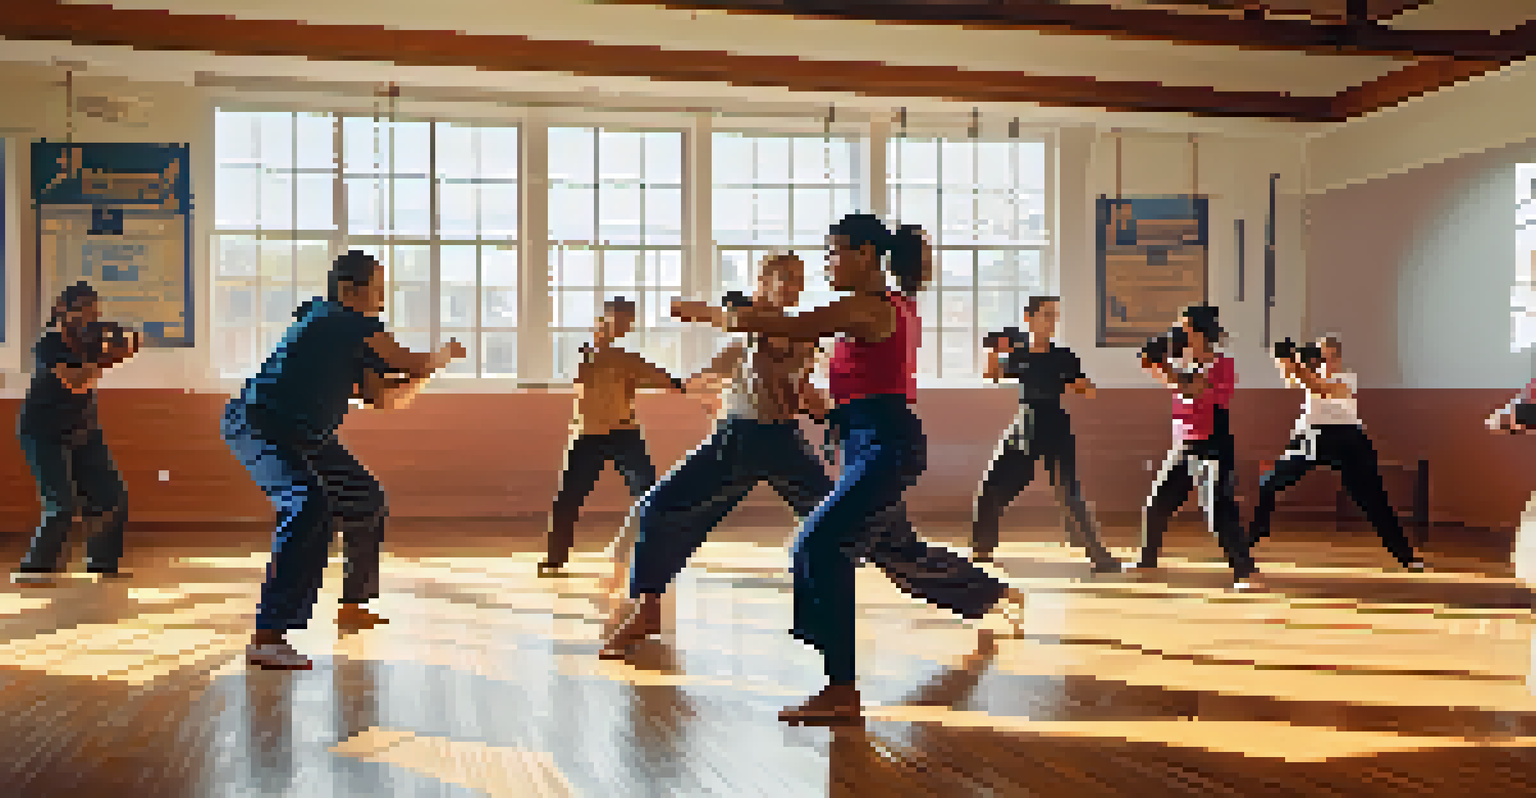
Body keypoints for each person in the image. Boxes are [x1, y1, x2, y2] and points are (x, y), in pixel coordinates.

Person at [673, 213, 1028, 727]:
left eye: (834, 251)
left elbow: (792, 324)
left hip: (885, 448)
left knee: (817, 545)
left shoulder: (867, 306)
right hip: (864, 445)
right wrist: (823, 406)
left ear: (865, 254)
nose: (827, 262)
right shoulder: (884, 308)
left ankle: (841, 689)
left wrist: (709, 313)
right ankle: (992, 593)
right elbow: (864, 389)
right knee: (898, 550)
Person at [223, 250, 464, 670]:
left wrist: (425, 374)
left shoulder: (351, 334)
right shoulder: (333, 317)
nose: (383, 300)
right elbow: (407, 360)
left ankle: (353, 603)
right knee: (307, 503)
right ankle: (268, 635)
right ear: (350, 290)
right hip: (259, 425)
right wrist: (440, 357)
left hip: (310, 437)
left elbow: (384, 398)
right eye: (378, 290)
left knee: (366, 498)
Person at [1250, 334, 1425, 571]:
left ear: (1339, 358)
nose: (1326, 362)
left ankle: (1406, 556)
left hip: (1347, 441)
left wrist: (1295, 364)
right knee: (1269, 481)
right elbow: (1292, 379)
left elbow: (1319, 388)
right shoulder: (1309, 375)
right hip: (1311, 438)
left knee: (1374, 500)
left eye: (1331, 357)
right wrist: (1283, 359)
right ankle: (1251, 538)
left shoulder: (1346, 379)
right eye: (1322, 357)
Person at [973, 297, 1120, 573]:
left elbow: (1088, 389)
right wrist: (993, 350)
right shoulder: (1019, 354)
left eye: (1055, 316)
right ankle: (981, 550)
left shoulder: (1063, 356)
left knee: (1069, 493)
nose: (1052, 321)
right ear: (1029, 318)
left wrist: (1073, 382)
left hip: (1054, 425)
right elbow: (991, 375)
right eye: (1047, 315)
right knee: (991, 486)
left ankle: (1099, 556)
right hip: (1025, 426)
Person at [540, 297, 684, 574]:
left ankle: (659, 553)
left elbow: (662, 378)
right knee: (569, 497)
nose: (624, 326)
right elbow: (584, 373)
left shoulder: (626, 359)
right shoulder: (588, 352)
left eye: (628, 322)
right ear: (605, 319)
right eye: (619, 320)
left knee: (649, 493)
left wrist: (686, 385)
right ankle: (555, 558)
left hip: (624, 433)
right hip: (588, 435)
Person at [13, 282, 141, 586]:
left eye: (94, 311)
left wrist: (126, 345)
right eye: (83, 310)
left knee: (112, 497)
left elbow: (104, 361)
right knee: (62, 503)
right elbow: (76, 381)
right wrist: (110, 356)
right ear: (64, 310)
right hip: (44, 431)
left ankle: (103, 563)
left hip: (84, 429)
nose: (90, 317)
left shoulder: (89, 343)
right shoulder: (49, 342)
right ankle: (35, 569)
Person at [1134, 305, 1259, 590]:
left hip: (1214, 445)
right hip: (1184, 444)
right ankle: (1147, 561)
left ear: (1201, 333)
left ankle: (1246, 572)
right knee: (1156, 504)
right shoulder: (1184, 365)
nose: (1180, 333)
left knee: (1218, 509)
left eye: (1185, 327)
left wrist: (1164, 366)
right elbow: (1172, 383)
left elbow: (1192, 388)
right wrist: (1152, 361)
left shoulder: (1222, 365)